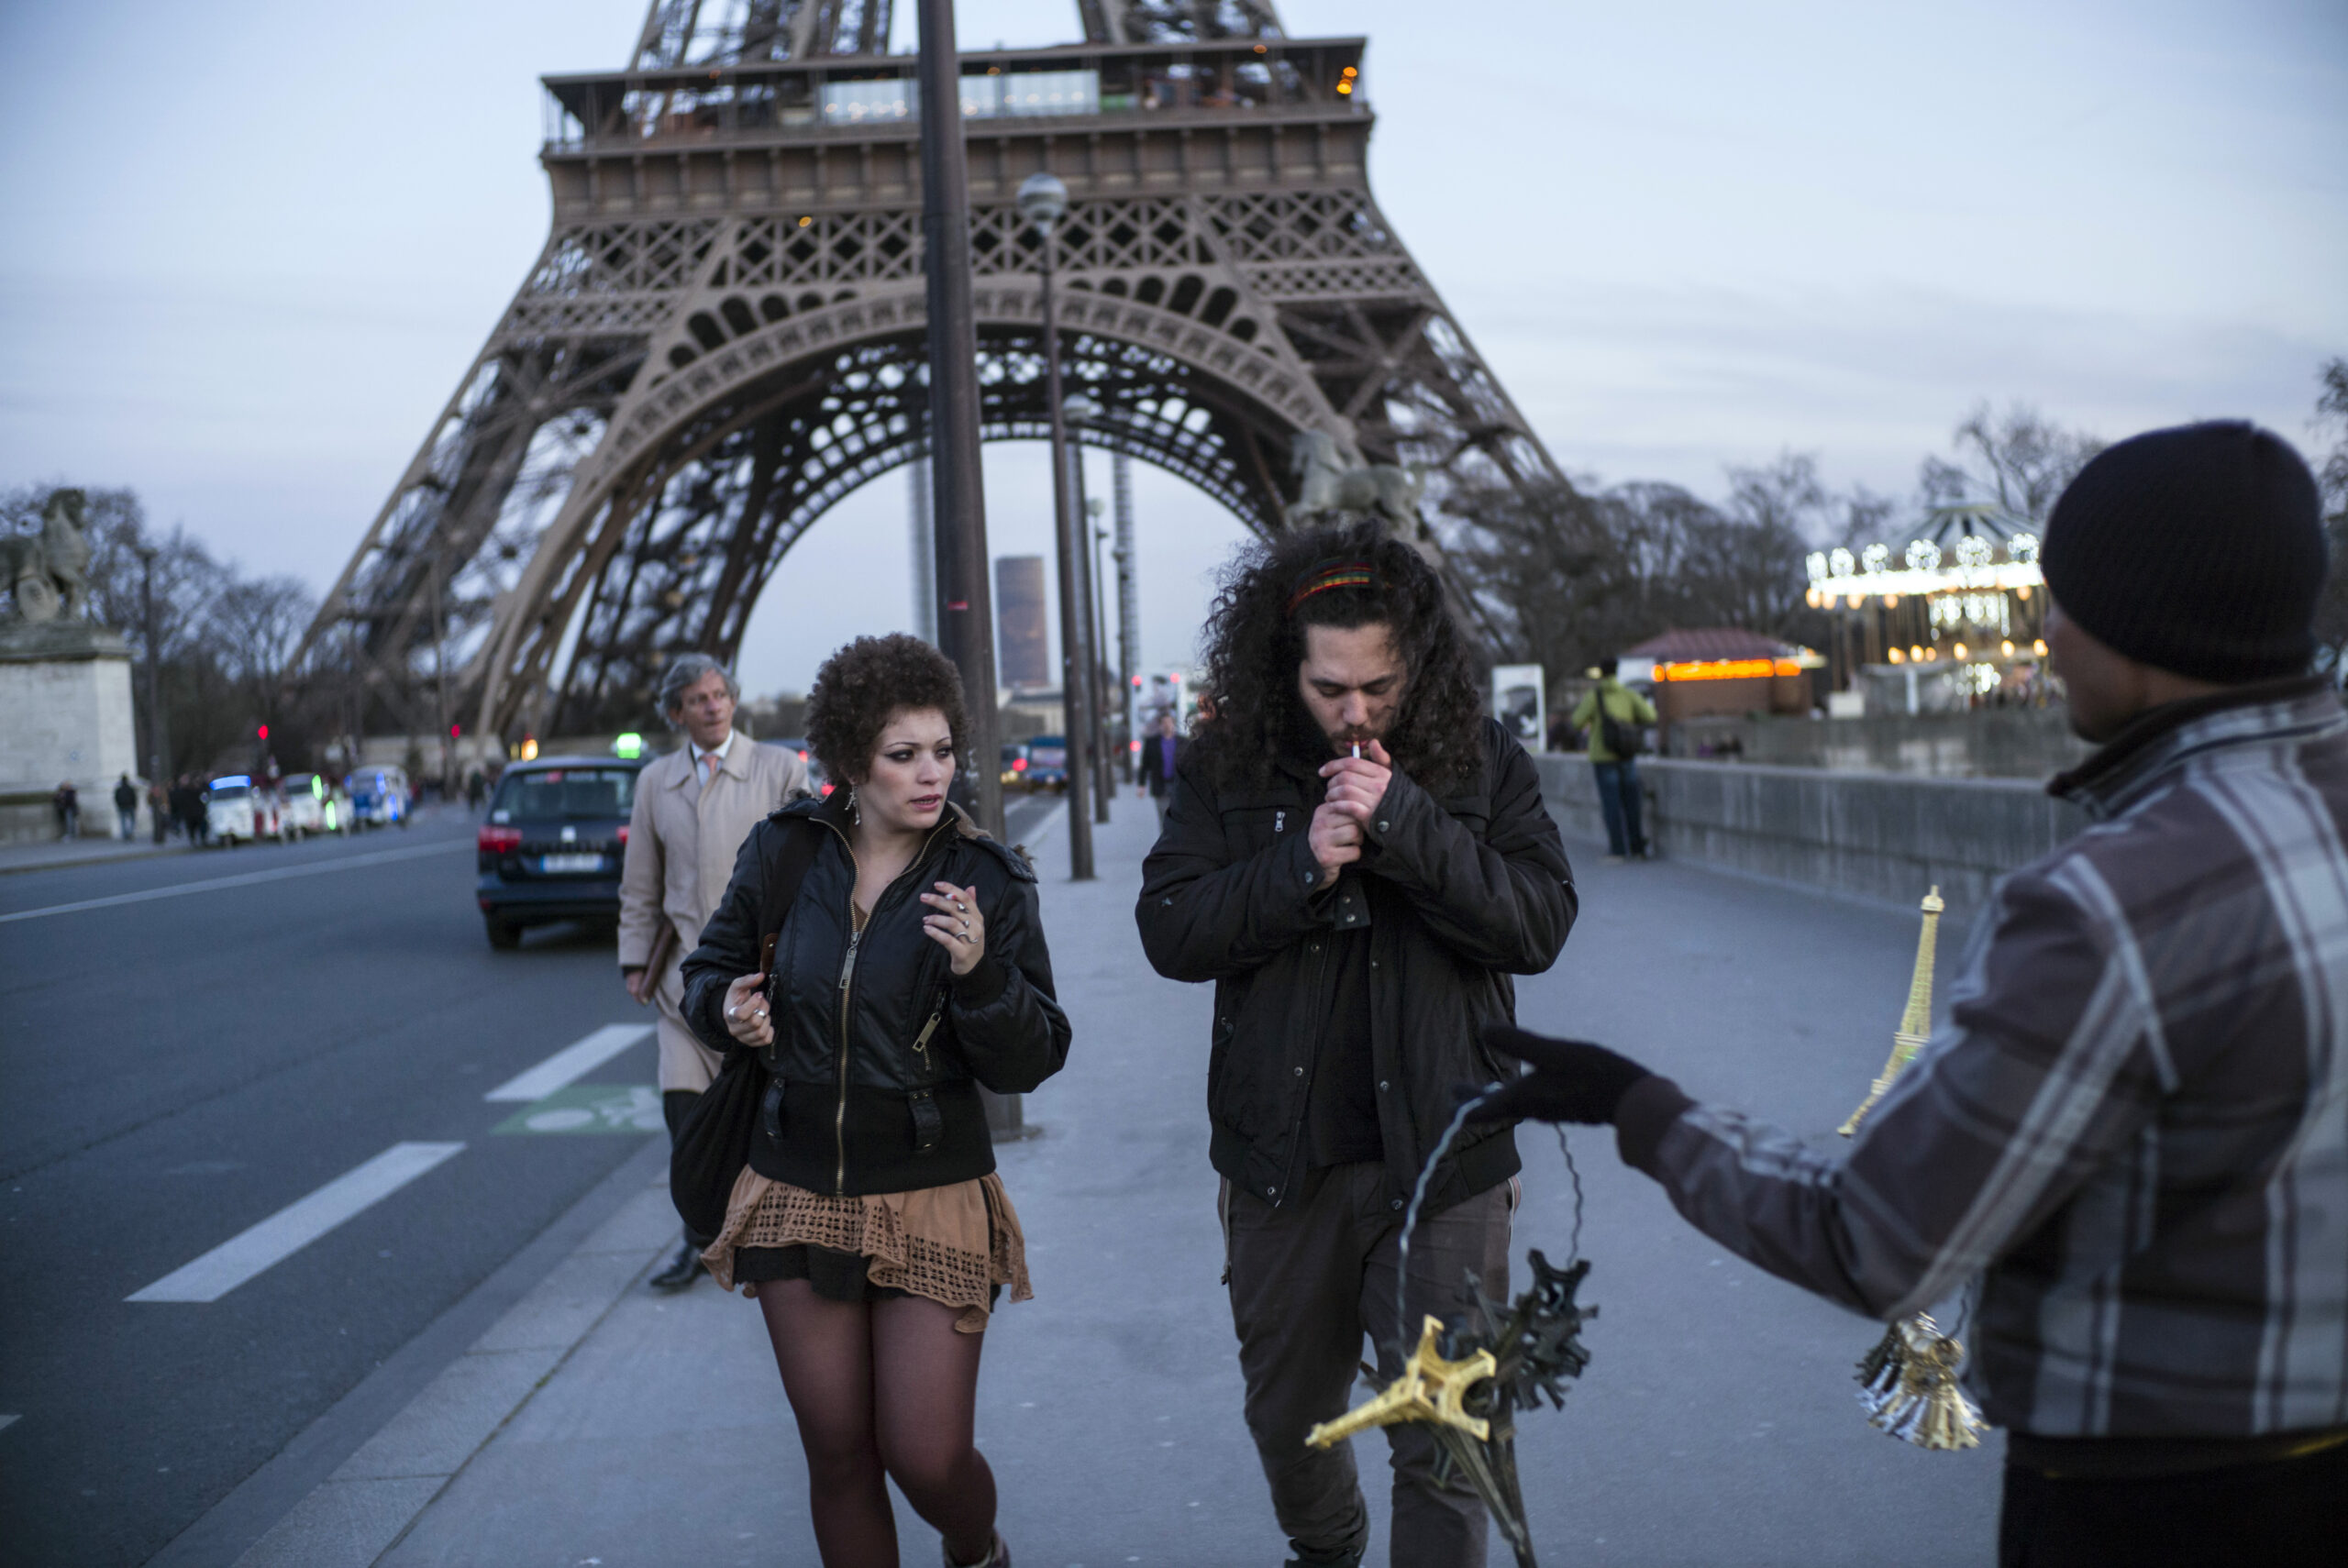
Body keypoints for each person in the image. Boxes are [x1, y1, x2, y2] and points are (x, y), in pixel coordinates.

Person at [1471, 422, 2345, 1568]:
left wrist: (1643, 1107)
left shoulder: (2115, 904)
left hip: (2159, 1490)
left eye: (2060, 599)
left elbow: (1876, 1238)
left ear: (2137, 628)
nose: (2047, 628)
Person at [1135, 521, 1576, 1568]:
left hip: (1445, 1160)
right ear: (1284, 667)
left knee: (1446, 1447)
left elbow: (1539, 923)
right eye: (1330, 687)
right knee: (1287, 1422)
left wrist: (1408, 825)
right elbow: (1171, 930)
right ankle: (1326, 1550)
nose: (1355, 709)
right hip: (1282, 1164)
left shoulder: (1479, 756)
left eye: (1377, 685)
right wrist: (1300, 863)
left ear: (1412, 664)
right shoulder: (1226, 765)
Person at [681, 634, 1069, 1568]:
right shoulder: (782, 856)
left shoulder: (987, 876)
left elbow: (1034, 1055)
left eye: (942, 750)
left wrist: (979, 976)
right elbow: (707, 973)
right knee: (840, 1456)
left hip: (932, 1186)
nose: (931, 773)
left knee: (926, 1456)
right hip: (794, 1185)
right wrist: (727, 1008)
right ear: (853, 762)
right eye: (904, 755)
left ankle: (976, 1549)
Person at [619, 654, 812, 1291]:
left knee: (765, 1120)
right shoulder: (655, 783)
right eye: (697, 699)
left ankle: (765, 1233)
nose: (712, 705)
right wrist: (633, 956)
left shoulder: (781, 769)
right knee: (687, 1122)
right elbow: (640, 881)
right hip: (682, 988)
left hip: (762, 986)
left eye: (719, 694)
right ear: (676, 712)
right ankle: (699, 1238)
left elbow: (815, 869)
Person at [1567, 658, 1656, 862]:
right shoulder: (1628, 694)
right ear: (1617, 672)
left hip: (1604, 756)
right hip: (1627, 755)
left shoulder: (1595, 696)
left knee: (1611, 804)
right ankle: (1637, 848)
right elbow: (1650, 715)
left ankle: (1617, 850)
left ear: (1601, 673)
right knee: (1632, 803)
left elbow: (1576, 721)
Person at [1136, 708, 1185, 825]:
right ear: (1160, 725)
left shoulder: (1183, 742)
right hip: (1160, 785)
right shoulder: (1152, 743)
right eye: (1164, 723)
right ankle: (1167, 840)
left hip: (1178, 786)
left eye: (1169, 722)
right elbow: (1145, 765)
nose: (1167, 725)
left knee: (1179, 816)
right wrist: (1141, 785)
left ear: (1173, 723)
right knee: (1164, 817)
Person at [113, 773, 138, 839]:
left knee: (123, 821)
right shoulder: (130, 788)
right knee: (132, 820)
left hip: (122, 807)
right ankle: (130, 832)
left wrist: (118, 805)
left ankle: (125, 834)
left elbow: (116, 798)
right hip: (130, 806)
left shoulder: (119, 789)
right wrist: (135, 806)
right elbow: (134, 797)